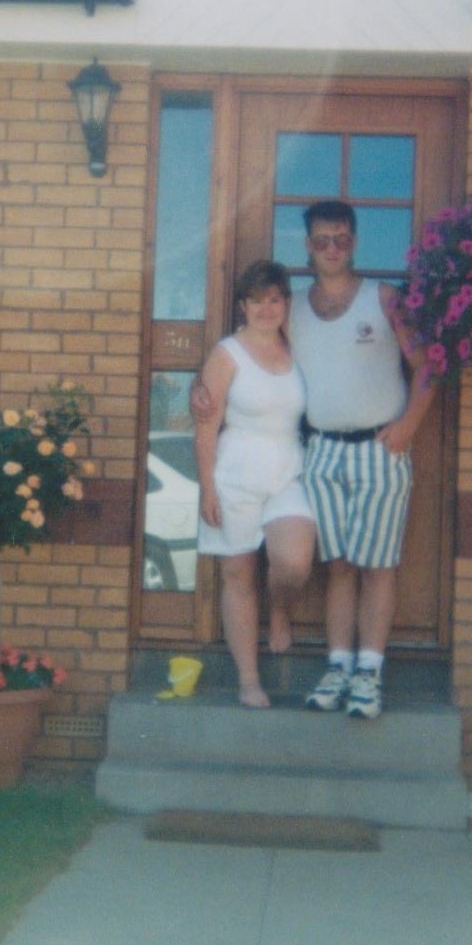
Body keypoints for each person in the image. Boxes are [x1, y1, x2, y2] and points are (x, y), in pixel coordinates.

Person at [194, 201, 436, 720]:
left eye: (341, 239)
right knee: (339, 565)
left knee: (379, 564)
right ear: (307, 245)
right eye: (321, 240)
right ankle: (338, 667)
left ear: (354, 242)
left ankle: (368, 674)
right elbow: (247, 357)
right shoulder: (294, 309)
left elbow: (429, 366)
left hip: (380, 448)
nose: (332, 248)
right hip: (321, 451)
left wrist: (410, 424)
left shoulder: (384, 298)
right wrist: (201, 385)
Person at [194, 259, 317, 709]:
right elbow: (206, 424)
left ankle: (279, 609)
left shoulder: (297, 345)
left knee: (294, 561)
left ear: (285, 303)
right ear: (242, 306)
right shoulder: (227, 353)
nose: (266, 309)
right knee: (237, 574)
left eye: (275, 299)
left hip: (289, 469)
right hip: (236, 473)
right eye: (256, 300)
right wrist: (207, 487)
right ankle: (249, 680)